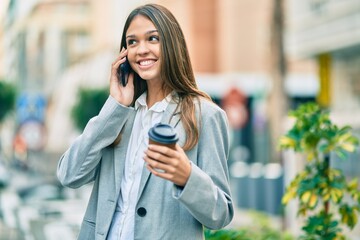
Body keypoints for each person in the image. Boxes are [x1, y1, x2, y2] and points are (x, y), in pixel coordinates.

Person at [57, 3, 233, 240]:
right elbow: (70, 175)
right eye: (132, 42)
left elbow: (220, 215)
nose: (141, 49)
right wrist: (115, 106)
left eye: (152, 38)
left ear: (172, 44)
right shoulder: (119, 116)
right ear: (124, 53)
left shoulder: (205, 116)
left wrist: (187, 176)